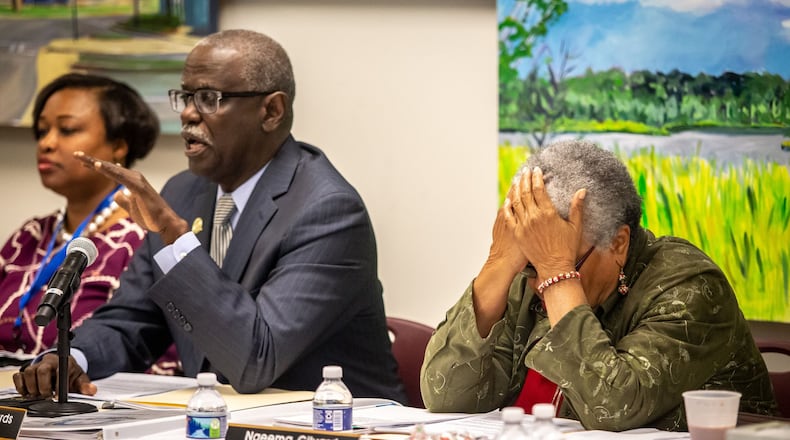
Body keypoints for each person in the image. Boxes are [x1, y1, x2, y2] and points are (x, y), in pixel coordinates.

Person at [13, 29, 406, 403]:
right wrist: (73, 360)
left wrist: (176, 239)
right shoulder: (183, 192)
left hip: (333, 428)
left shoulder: (327, 210)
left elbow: (255, 360)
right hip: (216, 420)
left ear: (271, 110)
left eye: (209, 98)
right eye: (185, 96)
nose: (187, 114)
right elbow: (134, 320)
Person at [420, 140, 777, 431]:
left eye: (559, 259)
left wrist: (559, 271)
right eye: (532, 263)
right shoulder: (530, 274)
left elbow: (614, 408)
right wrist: (499, 262)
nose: (541, 285)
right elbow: (446, 396)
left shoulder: (689, 286)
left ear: (618, 243)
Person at [0, 73, 159, 361]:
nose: (46, 143)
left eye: (68, 129)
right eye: (42, 130)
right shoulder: (31, 235)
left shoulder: (144, 239)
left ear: (119, 147)